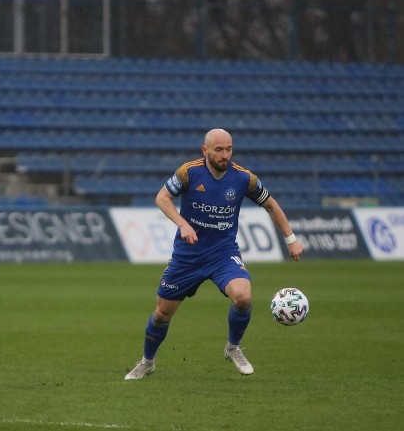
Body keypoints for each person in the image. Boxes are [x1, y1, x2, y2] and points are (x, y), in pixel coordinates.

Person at [124, 128, 304, 380]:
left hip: (223, 253)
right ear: (205, 150)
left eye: (229, 149)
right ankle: (147, 361)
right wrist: (183, 224)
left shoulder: (244, 178)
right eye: (219, 149)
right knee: (162, 313)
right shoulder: (188, 172)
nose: (225, 155)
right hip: (188, 257)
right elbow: (162, 198)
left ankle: (232, 348)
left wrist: (291, 239)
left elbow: (270, 204)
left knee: (242, 297)